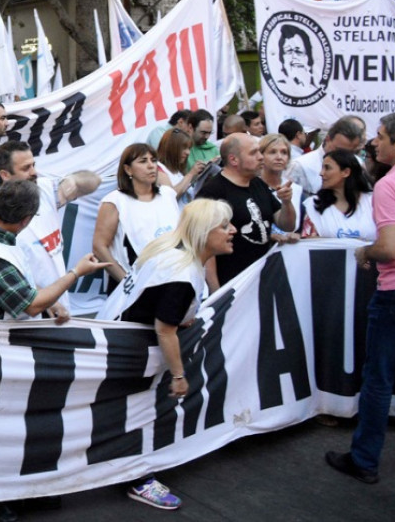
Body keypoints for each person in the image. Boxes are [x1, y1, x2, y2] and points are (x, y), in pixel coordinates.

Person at [97, 199, 236, 510]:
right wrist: (178, 375)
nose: (233, 231)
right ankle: (139, 479)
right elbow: (165, 330)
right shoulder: (183, 274)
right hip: (132, 352)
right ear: (204, 232)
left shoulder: (170, 251)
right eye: (225, 226)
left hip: (118, 337)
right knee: (141, 415)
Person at [326, 112, 395, 483]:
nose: (374, 142)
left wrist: (365, 253)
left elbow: (389, 248)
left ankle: (364, 460)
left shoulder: (391, 186)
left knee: (378, 378)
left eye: (380, 136)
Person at [0, 141, 100, 317]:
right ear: (4, 174)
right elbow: (28, 302)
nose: (34, 172)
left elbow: (91, 182)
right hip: (9, 330)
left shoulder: (44, 189)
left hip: (49, 315)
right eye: (26, 168)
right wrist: (76, 273)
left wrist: (75, 182)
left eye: (34, 165)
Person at [195, 133, 296, 285]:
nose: (260, 157)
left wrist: (287, 202)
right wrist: (215, 289)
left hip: (261, 278)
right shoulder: (213, 192)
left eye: (260, 151)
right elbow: (203, 243)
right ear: (233, 159)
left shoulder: (258, 184)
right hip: (231, 282)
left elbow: (286, 225)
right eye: (253, 153)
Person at [93, 143, 182, 289]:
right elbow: (99, 247)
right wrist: (127, 283)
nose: (151, 165)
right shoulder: (115, 201)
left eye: (153, 160)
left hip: (173, 280)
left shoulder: (167, 194)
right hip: (134, 286)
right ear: (128, 169)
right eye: (143, 161)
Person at [300, 149, 375, 241]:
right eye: (322, 168)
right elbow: (308, 243)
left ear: (346, 172)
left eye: (327, 168)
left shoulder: (373, 201)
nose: (321, 173)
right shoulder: (314, 203)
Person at [286, 116, 363, 199]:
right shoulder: (300, 166)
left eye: (350, 152)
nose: (344, 156)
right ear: (328, 139)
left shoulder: (358, 164)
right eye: (339, 150)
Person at [258, 133, 302, 241]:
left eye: (284, 152)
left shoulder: (296, 189)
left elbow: (297, 228)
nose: (279, 157)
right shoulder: (251, 185)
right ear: (260, 156)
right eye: (272, 152)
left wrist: (297, 235)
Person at [156, 127, 206, 202]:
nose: (188, 152)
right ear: (171, 147)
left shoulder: (177, 171)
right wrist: (191, 174)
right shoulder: (157, 169)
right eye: (184, 148)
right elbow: (171, 197)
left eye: (189, 148)